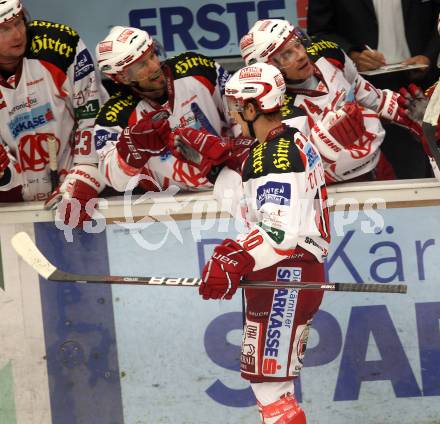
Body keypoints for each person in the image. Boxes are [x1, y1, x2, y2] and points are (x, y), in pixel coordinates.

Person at [199, 61, 329, 424]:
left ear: (254, 107)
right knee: (271, 389)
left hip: (286, 274)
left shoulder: (274, 155)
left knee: (271, 393)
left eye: (237, 106)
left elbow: (279, 233)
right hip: (285, 273)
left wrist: (234, 258)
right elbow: (256, 211)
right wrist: (216, 169)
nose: (233, 113)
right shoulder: (284, 141)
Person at [236, 18, 429, 183]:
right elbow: (287, 175)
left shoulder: (330, 54)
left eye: (297, 44)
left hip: (379, 165)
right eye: (286, 55)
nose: (301, 55)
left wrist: (406, 112)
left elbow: (366, 94)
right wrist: (323, 146)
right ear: (268, 68)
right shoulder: (271, 111)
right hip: (336, 188)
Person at [93, 26, 241, 194]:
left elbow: (241, 113)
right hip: (170, 205)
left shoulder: (198, 67)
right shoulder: (113, 116)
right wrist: (134, 146)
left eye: (152, 55)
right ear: (122, 77)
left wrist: (237, 154)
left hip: (230, 185)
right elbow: (113, 179)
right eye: (142, 65)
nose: (154, 66)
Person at [307, 0, 440, 178]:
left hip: (424, 83)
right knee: (386, 176)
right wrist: (353, 55)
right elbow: (319, 32)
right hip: (364, 90)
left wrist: (429, 56)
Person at [0, 0, 108, 219]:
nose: (18, 35)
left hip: (73, 187)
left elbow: (93, 116)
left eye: (19, 22)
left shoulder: (61, 45)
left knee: (82, 245)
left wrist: (84, 178)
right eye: (3, 29)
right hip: (14, 204)